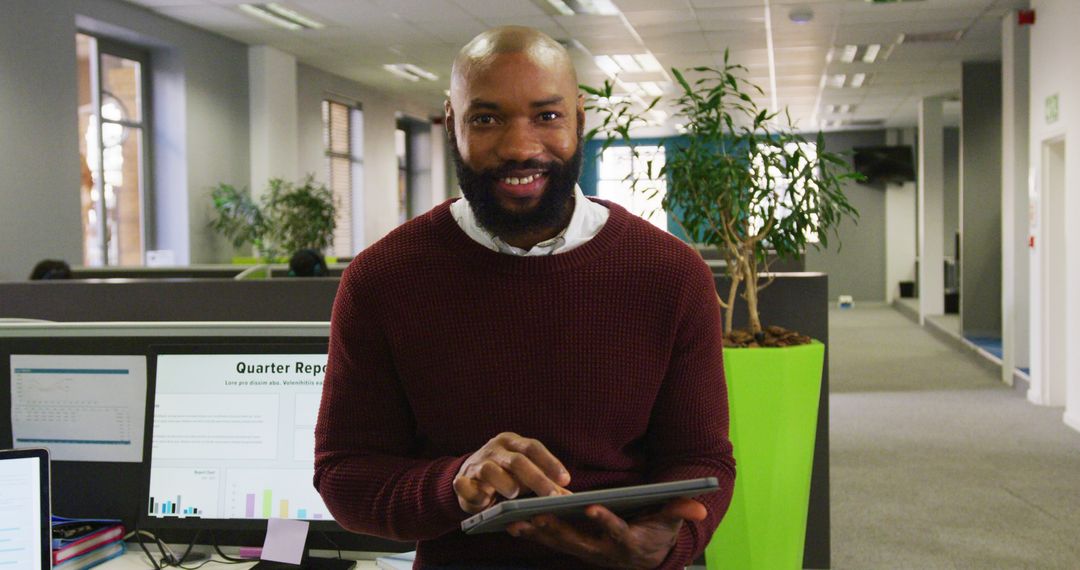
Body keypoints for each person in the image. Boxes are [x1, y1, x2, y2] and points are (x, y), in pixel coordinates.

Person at [314, 26, 734, 568]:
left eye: (547, 116)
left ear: (580, 119)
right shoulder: (383, 279)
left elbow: (700, 457)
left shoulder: (670, 272)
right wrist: (455, 483)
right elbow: (344, 474)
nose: (518, 147)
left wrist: (666, 540)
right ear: (451, 123)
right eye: (486, 119)